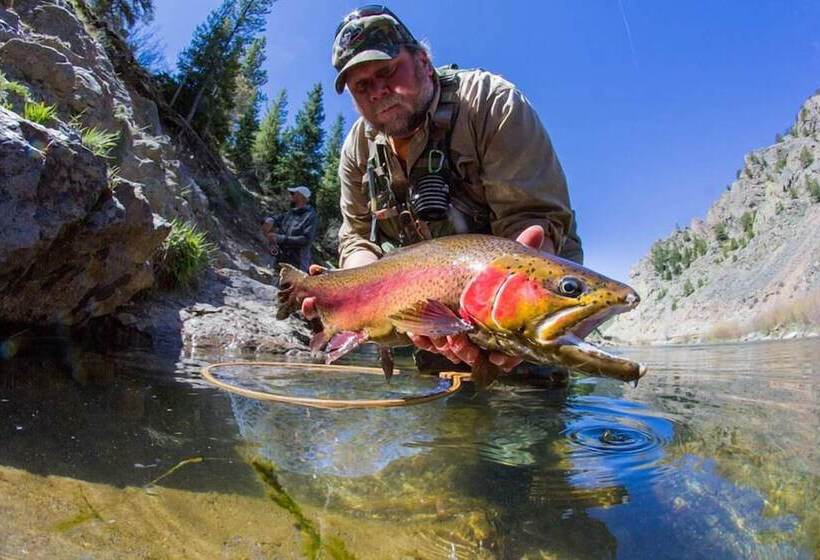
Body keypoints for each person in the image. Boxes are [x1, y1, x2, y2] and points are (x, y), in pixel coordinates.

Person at [305, 5, 584, 376]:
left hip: (524, 298)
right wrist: (357, 292)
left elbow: (532, 224)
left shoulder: (489, 103)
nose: (378, 91)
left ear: (423, 61)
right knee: (445, 424)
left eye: (387, 71)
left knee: (526, 413)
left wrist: (509, 318)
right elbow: (357, 239)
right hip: (424, 317)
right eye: (361, 85)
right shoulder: (356, 150)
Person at [262, 186, 318, 272]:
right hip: (281, 260)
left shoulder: (311, 216)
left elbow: (306, 240)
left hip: (297, 263)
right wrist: (269, 220)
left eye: (293, 193)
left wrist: (280, 238)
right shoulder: (290, 213)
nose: (291, 195)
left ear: (300, 196)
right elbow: (276, 219)